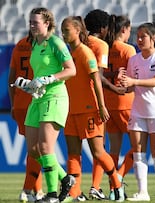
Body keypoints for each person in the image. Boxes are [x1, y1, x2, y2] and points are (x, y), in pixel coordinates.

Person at [60, 15, 125, 202]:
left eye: (67, 30)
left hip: (89, 109)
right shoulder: (67, 54)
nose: (63, 34)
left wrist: (102, 106)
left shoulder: (85, 53)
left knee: (98, 152)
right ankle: (74, 193)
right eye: (62, 30)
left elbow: (97, 79)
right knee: (73, 155)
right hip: (71, 111)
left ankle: (116, 185)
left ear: (77, 31)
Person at [25, 7, 77, 203]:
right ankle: (66, 179)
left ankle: (52, 195)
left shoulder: (55, 42)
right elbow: (40, 72)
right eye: (30, 22)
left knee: (46, 147)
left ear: (47, 23)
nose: (31, 25)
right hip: (37, 98)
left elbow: (71, 70)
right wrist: (30, 85)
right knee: (33, 149)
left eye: (35, 22)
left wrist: (47, 79)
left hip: (54, 97)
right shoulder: (35, 44)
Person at [120, 22, 155, 201]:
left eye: (143, 36)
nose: (139, 40)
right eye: (138, 36)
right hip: (138, 110)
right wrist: (123, 84)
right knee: (138, 153)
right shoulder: (133, 59)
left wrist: (133, 82)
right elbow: (129, 87)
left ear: (153, 38)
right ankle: (143, 192)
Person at [8, 33, 45, 202]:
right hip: (36, 101)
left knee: (33, 148)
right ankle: (28, 190)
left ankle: (37, 191)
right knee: (36, 149)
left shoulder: (19, 45)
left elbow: (11, 78)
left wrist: (13, 103)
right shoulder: (43, 46)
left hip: (20, 103)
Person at [105, 14, 136, 200]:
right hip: (125, 101)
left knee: (113, 149)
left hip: (108, 103)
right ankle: (119, 176)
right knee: (139, 146)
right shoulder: (128, 49)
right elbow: (132, 76)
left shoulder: (104, 47)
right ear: (124, 29)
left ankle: (114, 189)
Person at [83, 9, 112, 200]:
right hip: (94, 101)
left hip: (75, 99)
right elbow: (98, 76)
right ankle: (103, 184)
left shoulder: (78, 43)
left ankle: (75, 190)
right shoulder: (101, 45)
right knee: (99, 148)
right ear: (103, 28)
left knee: (74, 149)